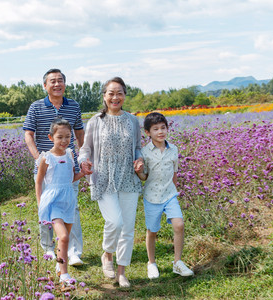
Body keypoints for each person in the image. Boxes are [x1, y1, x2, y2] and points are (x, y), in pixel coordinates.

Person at [78, 77, 143, 288]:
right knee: (115, 221)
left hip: (128, 178)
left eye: (120, 93)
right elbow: (86, 148)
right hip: (103, 177)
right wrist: (82, 161)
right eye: (111, 93)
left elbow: (137, 148)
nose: (115, 97)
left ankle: (122, 271)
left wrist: (140, 159)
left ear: (124, 95)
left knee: (128, 228)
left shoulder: (133, 121)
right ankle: (107, 254)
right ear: (104, 96)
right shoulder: (96, 121)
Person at [23, 68, 85, 266]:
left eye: (60, 80)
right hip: (45, 166)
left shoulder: (73, 106)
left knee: (71, 207)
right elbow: (28, 135)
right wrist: (37, 157)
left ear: (64, 84)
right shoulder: (36, 107)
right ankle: (48, 247)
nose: (57, 84)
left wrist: (82, 157)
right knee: (45, 208)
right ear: (45, 85)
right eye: (52, 81)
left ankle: (74, 251)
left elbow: (80, 134)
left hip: (68, 166)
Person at [134, 112, 194, 279]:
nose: (160, 132)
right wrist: (139, 172)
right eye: (155, 129)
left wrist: (174, 190)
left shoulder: (173, 149)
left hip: (170, 195)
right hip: (152, 197)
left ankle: (178, 262)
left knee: (179, 225)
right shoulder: (145, 152)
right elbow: (145, 177)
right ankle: (151, 263)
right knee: (152, 231)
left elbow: (175, 172)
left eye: (163, 128)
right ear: (147, 132)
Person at [36, 118, 85, 287]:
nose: (64, 141)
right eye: (60, 137)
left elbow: (71, 178)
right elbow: (39, 180)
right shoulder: (46, 157)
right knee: (63, 237)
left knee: (66, 238)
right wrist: (40, 202)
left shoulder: (71, 154)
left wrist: (83, 173)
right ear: (51, 137)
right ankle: (64, 274)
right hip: (53, 201)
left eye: (67, 137)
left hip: (68, 200)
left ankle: (59, 264)